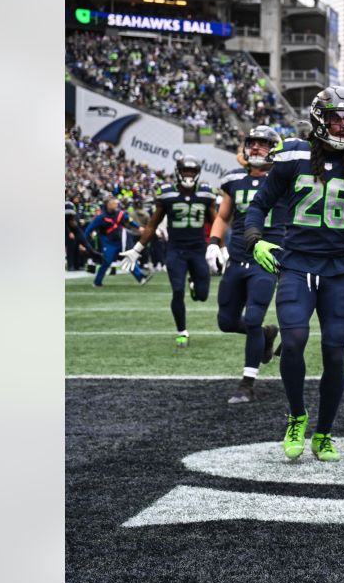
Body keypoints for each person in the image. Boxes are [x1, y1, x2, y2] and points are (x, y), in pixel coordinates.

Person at [244, 86, 344, 462]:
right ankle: (296, 415)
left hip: (337, 269)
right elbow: (259, 205)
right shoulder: (293, 153)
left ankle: (323, 432)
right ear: (320, 118)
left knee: (335, 353)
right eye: (337, 117)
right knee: (292, 342)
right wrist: (255, 239)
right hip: (296, 264)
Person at [207, 126, 287, 405]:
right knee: (226, 322)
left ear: (274, 148)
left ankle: (247, 383)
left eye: (264, 144)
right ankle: (266, 335)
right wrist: (214, 242)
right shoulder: (234, 179)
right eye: (252, 143)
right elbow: (223, 215)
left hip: (267, 258)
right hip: (237, 257)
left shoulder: (285, 177)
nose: (256, 148)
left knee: (253, 318)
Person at [119, 158, 217, 346]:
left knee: (203, 295)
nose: (188, 174)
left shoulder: (206, 194)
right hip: (176, 250)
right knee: (177, 291)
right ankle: (182, 331)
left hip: (197, 249)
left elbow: (216, 222)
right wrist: (137, 249)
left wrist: (220, 246)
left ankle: (194, 285)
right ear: (178, 171)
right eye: (185, 170)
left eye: (192, 171)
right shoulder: (167, 194)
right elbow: (152, 224)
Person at [83, 197, 148, 287]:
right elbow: (88, 230)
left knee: (128, 258)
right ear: (108, 205)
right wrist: (84, 242)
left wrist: (138, 227)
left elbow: (129, 220)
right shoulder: (100, 218)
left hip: (120, 241)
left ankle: (141, 278)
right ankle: (97, 282)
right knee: (107, 262)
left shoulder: (120, 214)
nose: (117, 205)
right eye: (114, 203)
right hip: (108, 243)